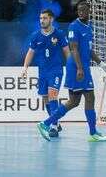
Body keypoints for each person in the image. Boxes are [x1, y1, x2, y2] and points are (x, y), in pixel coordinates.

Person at [37, 1, 106, 142]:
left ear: (89, 11)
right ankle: (93, 133)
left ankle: (46, 123)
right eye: (79, 10)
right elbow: (73, 48)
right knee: (89, 97)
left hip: (82, 67)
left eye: (84, 10)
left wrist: (101, 64)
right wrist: (80, 68)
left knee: (74, 101)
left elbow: (88, 51)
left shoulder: (88, 28)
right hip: (77, 68)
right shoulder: (73, 27)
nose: (81, 12)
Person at [22, 9, 70, 137]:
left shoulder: (59, 34)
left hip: (56, 70)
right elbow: (30, 52)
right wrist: (25, 67)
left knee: (52, 95)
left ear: (51, 19)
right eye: (40, 18)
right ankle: (56, 122)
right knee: (45, 98)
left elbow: (67, 51)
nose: (42, 21)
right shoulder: (35, 35)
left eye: (44, 18)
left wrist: (71, 67)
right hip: (42, 72)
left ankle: (53, 127)